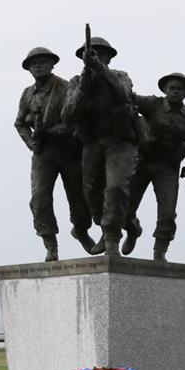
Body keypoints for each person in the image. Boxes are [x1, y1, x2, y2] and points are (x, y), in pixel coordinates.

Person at [14, 47, 96, 261]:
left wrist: (52, 131)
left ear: (52, 64)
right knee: (39, 198)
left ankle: (81, 229)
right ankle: (50, 244)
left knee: (78, 196)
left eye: (42, 61)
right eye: (33, 63)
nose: (38, 66)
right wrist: (31, 142)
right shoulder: (27, 94)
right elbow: (20, 123)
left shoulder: (65, 88)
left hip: (68, 149)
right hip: (43, 153)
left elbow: (75, 119)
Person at [61, 36, 139, 257]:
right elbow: (67, 115)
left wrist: (100, 70)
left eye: (101, 54)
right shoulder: (77, 82)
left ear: (109, 58)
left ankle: (111, 237)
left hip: (120, 141)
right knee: (91, 192)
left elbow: (123, 95)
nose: (97, 57)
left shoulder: (120, 76)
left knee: (115, 188)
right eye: (92, 54)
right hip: (93, 142)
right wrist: (83, 88)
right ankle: (130, 224)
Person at [124, 72, 185, 261]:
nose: (175, 92)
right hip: (143, 162)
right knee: (124, 207)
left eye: (179, 89)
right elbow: (130, 97)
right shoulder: (153, 104)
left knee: (167, 212)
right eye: (172, 88)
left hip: (168, 168)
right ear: (165, 90)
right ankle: (132, 229)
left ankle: (160, 251)